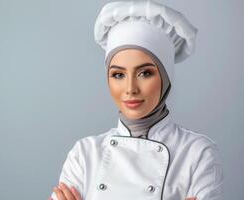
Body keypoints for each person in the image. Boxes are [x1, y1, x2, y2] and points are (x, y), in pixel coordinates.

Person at [48, 1, 224, 200]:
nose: (130, 89)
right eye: (118, 75)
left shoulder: (197, 153)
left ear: (166, 77)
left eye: (145, 73)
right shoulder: (84, 153)